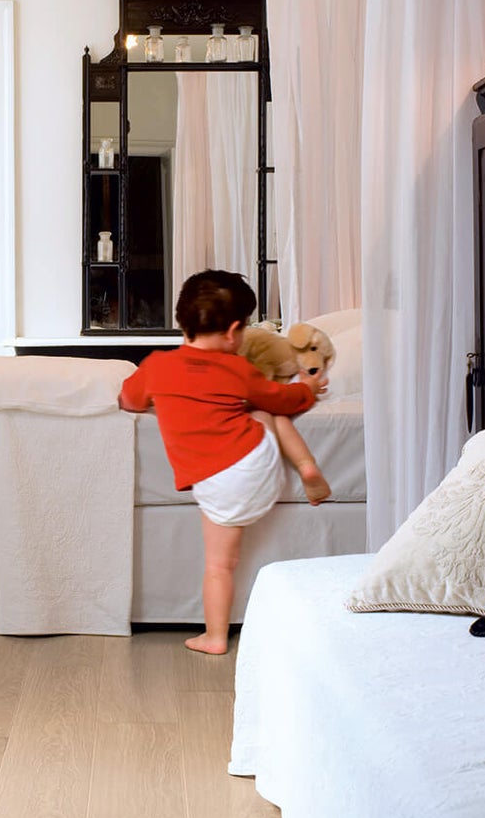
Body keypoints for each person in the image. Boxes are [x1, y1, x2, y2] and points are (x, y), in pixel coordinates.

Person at [118, 269, 331, 655]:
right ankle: (305, 465)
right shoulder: (238, 369)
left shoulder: (155, 367)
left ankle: (214, 637)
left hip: (213, 485)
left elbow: (129, 400)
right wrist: (308, 388)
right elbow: (286, 400)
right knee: (267, 412)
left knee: (219, 565)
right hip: (257, 469)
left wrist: (160, 397)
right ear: (234, 331)